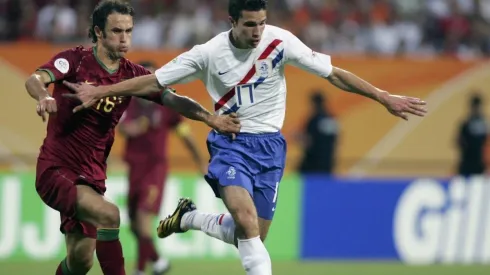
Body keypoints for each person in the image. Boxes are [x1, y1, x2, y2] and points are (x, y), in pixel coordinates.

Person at [63, 0, 427, 274]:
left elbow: (333, 74)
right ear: (232, 22)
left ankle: (188, 219)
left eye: (262, 23)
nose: (257, 32)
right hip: (231, 144)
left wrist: (383, 96)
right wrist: (100, 91)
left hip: (271, 147)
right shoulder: (207, 53)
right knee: (247, 222)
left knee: (250, 236)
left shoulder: (280, 42)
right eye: (250, 24)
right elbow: (154, 82)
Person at [25, 1, 240, 275]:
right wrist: (44, 95)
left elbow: (172, 99)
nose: (124, 38)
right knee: (110, 215)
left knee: (80, 261)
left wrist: (210, 118)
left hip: (92, 178)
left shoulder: (134, 76)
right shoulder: (75, 60)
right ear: (98, 32)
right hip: (56, 169)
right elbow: (35, 79)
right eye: (116, 31)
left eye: (129, 31)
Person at [119, 61, 207, 275]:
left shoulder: (167, 105)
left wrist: (200, 162)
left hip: (154, 169)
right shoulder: (129, 103)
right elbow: (123, 128)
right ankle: (158, 262)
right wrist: (134, 128)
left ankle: (139, 270)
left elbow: (185, 134)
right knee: (132, 225)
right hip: (134, 171)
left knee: (142, 218)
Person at [297, 91, 339, 175]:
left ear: (314, 103)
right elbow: (335, 140)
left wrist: (297, 137)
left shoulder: (314, 120)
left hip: (312, 163)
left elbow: (308, 141)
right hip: (327, 163)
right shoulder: (331, 119)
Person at [456, 93, 488, 177]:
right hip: (466, 165)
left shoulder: (485, 124)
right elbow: (458, 142)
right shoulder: (466, 124)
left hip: (480, 166)